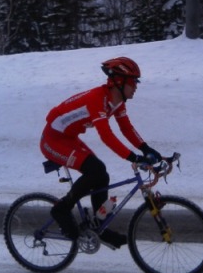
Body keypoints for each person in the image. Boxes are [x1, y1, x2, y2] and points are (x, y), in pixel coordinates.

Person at [40, 57, 162, 248]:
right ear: (119, 82)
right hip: (52, 140)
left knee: (101, 174)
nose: (136, 86)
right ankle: (61, 209)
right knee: (95, 170)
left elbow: (126, 129)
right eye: (133, 82)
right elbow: (106, 135)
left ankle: (99, 227)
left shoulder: (117, 102)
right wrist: (134, 157)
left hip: (69, 138)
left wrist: (146, 149)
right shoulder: (97, 99)